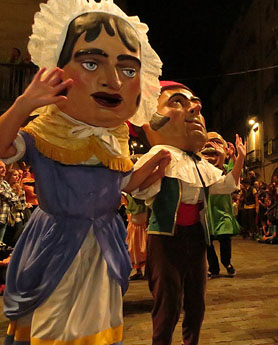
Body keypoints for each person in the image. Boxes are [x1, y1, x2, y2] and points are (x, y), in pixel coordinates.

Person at [0, 0, 168, 343]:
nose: (113, 80)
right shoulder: (43, 130)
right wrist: (23, 104)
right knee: (56, 322)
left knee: (99, 323)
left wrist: (144, 173)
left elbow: (118, 183)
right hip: (55, 244)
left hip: (104, 243)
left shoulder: (115, 138)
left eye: (129, 69)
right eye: (91, 63)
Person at [132, 81, 246, 345]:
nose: (195, 107)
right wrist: (155, 171)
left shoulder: (199, 163)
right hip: (165, 238)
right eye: (178, 102)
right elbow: (137, 190)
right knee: (168, 302)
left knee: (197, 301)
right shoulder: (159, 155)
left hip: (196, 236)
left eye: (195, 102)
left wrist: (238, 161)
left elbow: (226, 186)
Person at [201, 132, 240, 278]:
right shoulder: (202, 166)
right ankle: (214, 267)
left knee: (225, 238)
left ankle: (226, 262)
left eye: (216, 143)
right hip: (207, 210)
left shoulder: (225, 165)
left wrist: (231, 157)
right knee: (208, 241)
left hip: (223, 209)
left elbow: (234, 178)